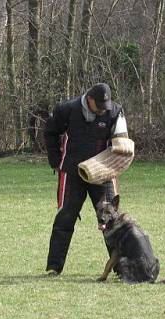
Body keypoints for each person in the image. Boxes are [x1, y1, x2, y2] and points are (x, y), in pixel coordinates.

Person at [43, 83, 129, 276]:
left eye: (105, 105)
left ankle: (123, 268)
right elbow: (49, 132)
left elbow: (123, 142)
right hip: (72, 172)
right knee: (65, 218)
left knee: (113, 220)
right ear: (89, 99)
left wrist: (120, 160)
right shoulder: (66, 110)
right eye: (99, 105)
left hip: (103, 173)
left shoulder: (115, 112)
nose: (102, 110)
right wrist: (56, 161)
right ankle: (54, 267)